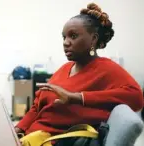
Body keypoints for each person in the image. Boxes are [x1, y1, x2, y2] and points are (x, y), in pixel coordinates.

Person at [15, 3, 144, 137]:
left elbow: (136, 98)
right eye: (64, 37)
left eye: (73, 36)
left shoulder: (107, 69)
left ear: (93, 39)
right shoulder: (65, 68)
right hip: (29, 137)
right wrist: (19, 129)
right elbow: (37, 106)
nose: (66, 42)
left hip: (54, 141)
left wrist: (77, 98)